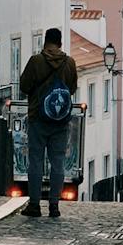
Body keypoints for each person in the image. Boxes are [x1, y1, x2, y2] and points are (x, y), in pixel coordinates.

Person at [19, 28, 78, 218]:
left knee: (35, 161)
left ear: (45, 42)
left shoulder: (36, 61)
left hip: (38, 116)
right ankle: (54, 205)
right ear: (60, 43)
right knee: (58, 162)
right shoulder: (69, 63)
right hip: (60, 119)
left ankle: (35, 204)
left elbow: (24, 86)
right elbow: (73, 88)